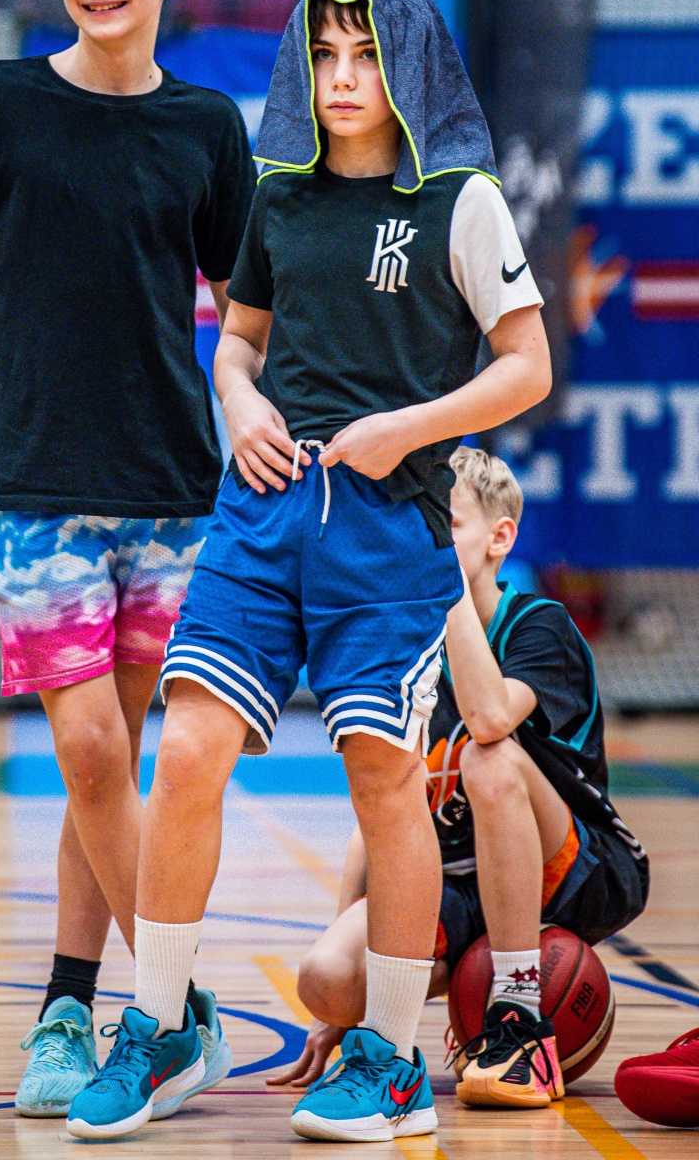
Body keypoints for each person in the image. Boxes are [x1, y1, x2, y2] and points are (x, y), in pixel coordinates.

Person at [66, 0, 552, 1143]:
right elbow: (239, 344)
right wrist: (237, 401)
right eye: (324, 53)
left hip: (387, 523)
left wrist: (409, 430)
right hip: (263, 505)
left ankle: (389, 1060)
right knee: (188, 749)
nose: (341, 77)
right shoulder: (278, 195)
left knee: (383, 775)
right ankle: (161, 1025)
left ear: (408, 65)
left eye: (365, 55)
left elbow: (528, 367)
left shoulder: (465, 203)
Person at [0, 0, 255, 1118]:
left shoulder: (207, 129)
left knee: (111, 767)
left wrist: (272, 425)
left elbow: (245, 319)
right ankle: (175, 1007)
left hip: (175, 488)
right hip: (32, 480)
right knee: (90, 749)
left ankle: (68, 1004)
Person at [272, 447, 649, 1110]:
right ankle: (410, 1022)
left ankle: (520, 1017)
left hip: (578, 869)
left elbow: (489, 717)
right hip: (460, 881)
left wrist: (440, 589)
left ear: (499, 538)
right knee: (325, 979)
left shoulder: (539, 626)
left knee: (487, 757)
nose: (424, 538)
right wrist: (348, 1009)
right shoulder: (402, 645)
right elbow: (378, 817)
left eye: (441, 523)